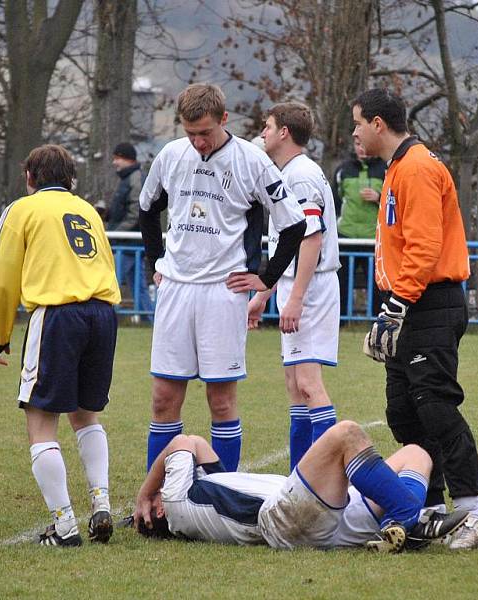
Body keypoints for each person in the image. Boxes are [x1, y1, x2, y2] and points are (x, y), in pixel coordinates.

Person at [139, 83, 306, 473]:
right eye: (190, 133)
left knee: (221, 401)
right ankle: (157, 500)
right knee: (163, 399)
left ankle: (223, 496)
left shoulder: (252, 160)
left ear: (224, 120)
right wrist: (156, 264)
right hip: (176, 289)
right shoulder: (170, 155)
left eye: (205, 132)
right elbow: (147, 210)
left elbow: (294, 223)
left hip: (222, 292)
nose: (197, 141)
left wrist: (265, 278)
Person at [353, 88, 478, 549]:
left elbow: (425, 246)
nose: (354, 132)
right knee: (402, 409)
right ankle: (429, 508)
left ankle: (472, 513)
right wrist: (390, 306)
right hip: (410, 302)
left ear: (378, 124)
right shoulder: (398, 167)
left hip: (428, 302)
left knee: (435, 405)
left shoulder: (416, 167)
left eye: (358, 123)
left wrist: (396, 306)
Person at [0, 144, 121, 547]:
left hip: (59, 315)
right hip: (103, 313)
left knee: (40, 418)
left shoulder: (22, 210)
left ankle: (64, 526)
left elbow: (4, 278)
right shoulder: (87, 211)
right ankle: (101, 503)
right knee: (85, 414)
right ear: (71, 179)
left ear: (30, 178)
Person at [132, 421, 471, 553]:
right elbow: (180, 443)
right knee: (346, 434)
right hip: (282, 519)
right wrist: (146, 492)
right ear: (159, 509)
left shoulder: (201, 492)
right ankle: (412, 516)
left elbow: (195, 442)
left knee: (416, 453)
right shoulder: (176, 503)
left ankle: (395, 529)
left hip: (319, 514)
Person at [247, 102, 340, 471]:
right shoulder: (288, 172)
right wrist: (264, 295)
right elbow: (286, 242)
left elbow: (310, 240)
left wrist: (296, 299)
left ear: (284, 131)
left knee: (307, 383)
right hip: (294, 284)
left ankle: (322, 475)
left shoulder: (301, 175)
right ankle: (300, 475)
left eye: (267, 126)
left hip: (311, 287)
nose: (263, 133)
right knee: (294, 385)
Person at [333, 138, 388, 319]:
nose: (361, 149)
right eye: (358, 145)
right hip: (346, 235)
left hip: (373, 236)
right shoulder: (343, 170)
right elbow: (336, 199)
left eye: (365, 144)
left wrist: (379, 197)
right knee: (339, 282)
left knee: (377, 284)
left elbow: (396, 200)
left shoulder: (386, 169)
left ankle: (377, 321)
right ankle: (338, 320)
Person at [106, 142, 154, 317]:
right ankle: (151, 318)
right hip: (129, 242)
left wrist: (116, 232)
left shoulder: (134, 179)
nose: (114, 162)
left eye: (117, 158)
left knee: (110, 281)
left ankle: (104, 317)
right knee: (138, 285)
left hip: (127, 243)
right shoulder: (128, 178)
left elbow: (135, 213)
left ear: (128, 159)